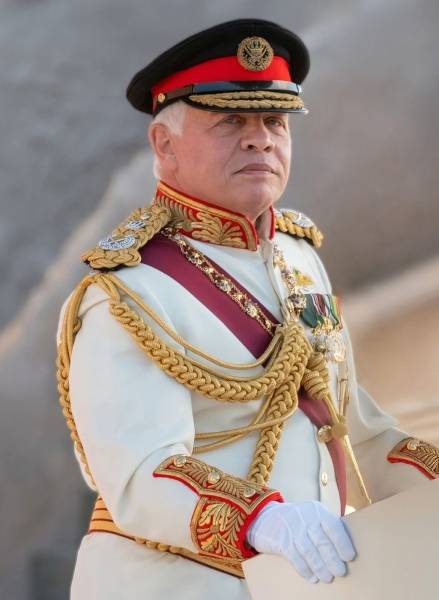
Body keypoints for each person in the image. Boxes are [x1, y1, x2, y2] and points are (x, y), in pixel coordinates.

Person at [56, 19, 439, 600]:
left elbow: (353, 433)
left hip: (303, 586)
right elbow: (141, 472)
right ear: (164, 145)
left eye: (274, 121)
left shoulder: (298, 258)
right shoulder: (128, 292)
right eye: (230, 121)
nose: (260, 140)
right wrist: (265, 520)